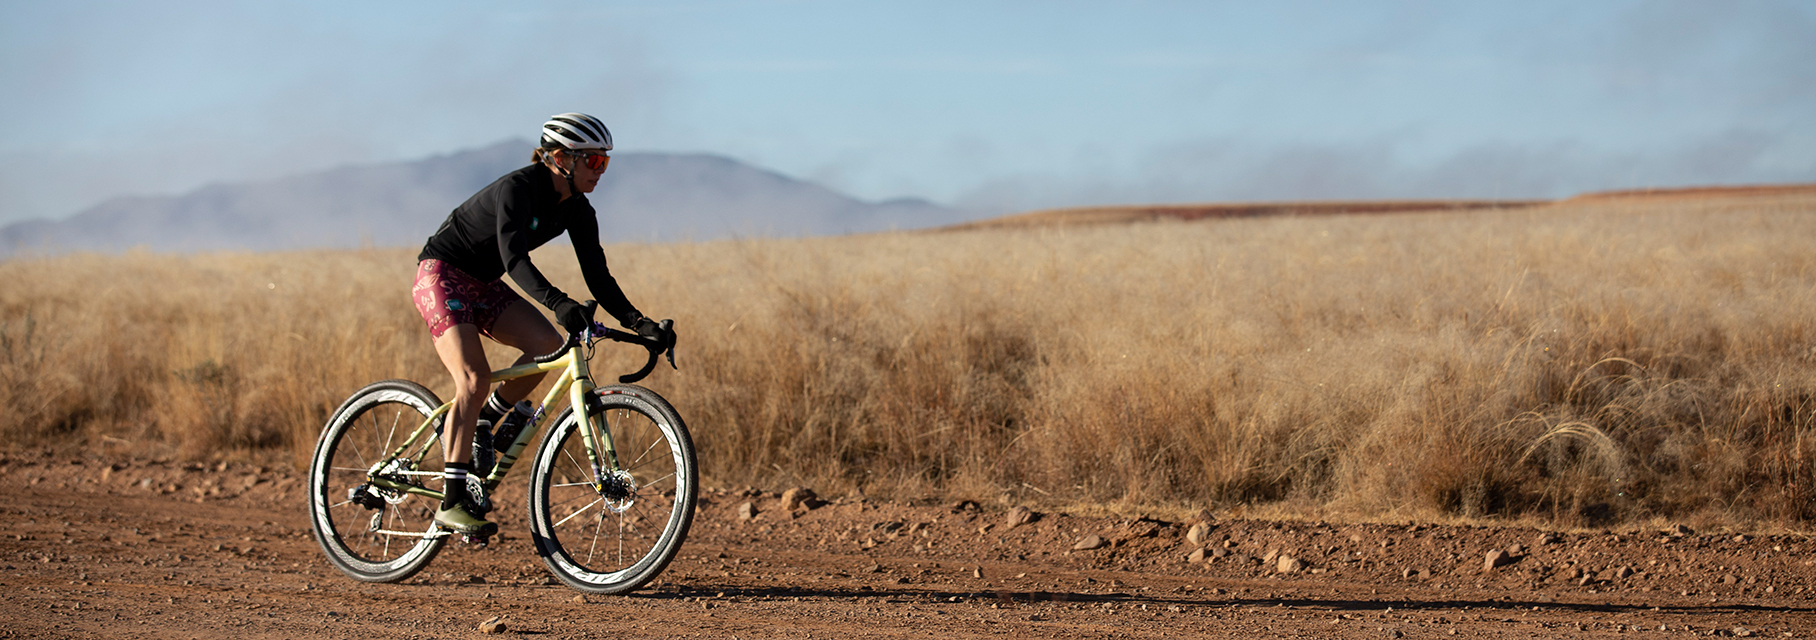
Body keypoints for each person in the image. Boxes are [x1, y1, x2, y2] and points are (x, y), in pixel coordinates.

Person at [412, 112, 675, 536]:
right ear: (559, 158)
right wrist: (559, 302)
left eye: (605, 162)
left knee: (547, 344)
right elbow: (515, 259)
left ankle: (483, 419)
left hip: (482, 283)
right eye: (594, 162)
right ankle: (452, 502)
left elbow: (599, 276)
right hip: (442, 274)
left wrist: (639, 321)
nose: (600, 171)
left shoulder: (578, 209)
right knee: (474, 379)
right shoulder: (518, 189)